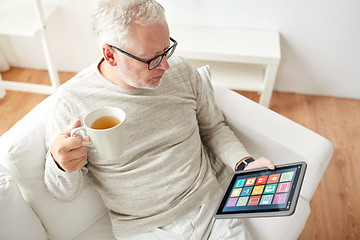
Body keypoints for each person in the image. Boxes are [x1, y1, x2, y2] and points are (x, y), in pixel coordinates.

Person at [44, 0, 275, 239]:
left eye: (166, 49)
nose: (165, 65)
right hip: (146, 229)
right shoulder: (72, 102)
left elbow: (213, 127)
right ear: (110, 54)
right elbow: (63, 193)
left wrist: (245, 164)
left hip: (211, 207)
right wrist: (60, 164)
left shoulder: (181, 70)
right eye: (152, 58)